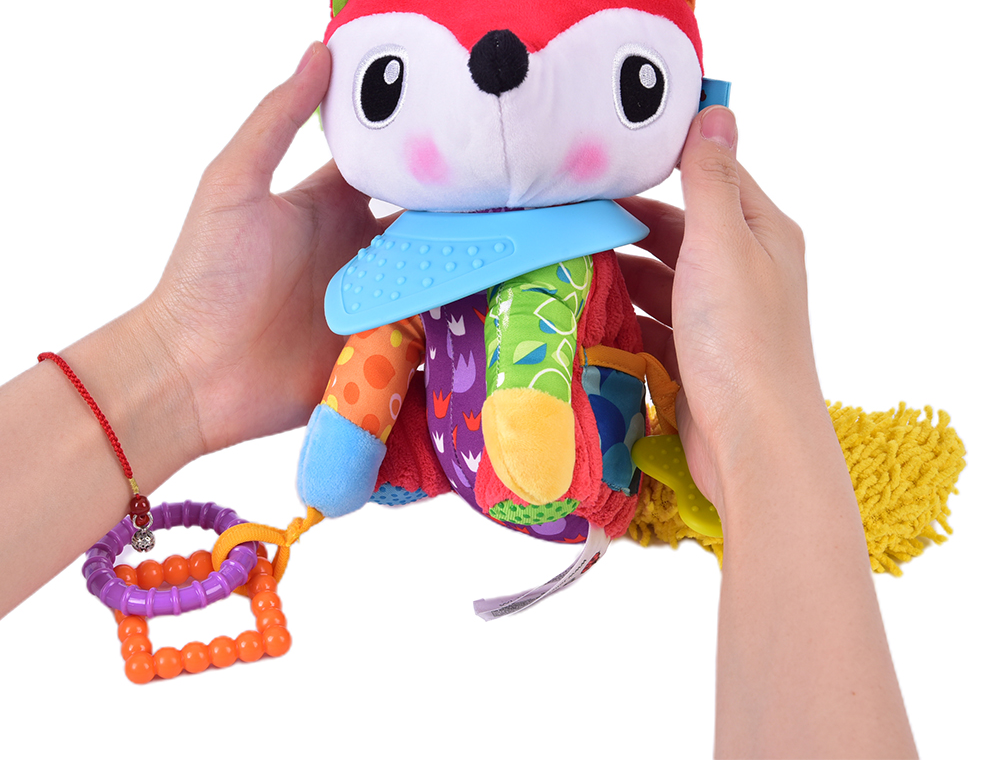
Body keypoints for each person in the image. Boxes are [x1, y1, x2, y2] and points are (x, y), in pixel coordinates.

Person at [0, 43, 917, 758]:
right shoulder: (413, 249)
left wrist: (171, 374)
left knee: (526, 329)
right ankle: (413, 461)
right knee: (393, 328)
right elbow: (384, 343)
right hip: (461, 456)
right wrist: (768, 441)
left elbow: (528, 337)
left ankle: (491, 455)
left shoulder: (568, 256)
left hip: (576, 471)